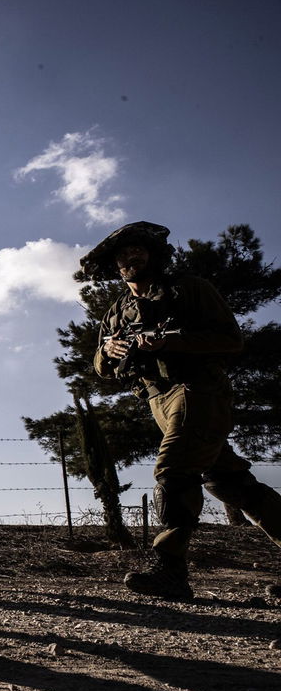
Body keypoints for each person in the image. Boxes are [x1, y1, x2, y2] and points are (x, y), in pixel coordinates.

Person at [85, 221, 281, 600]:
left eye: (139, 249)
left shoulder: (188, 289)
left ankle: (170, 571)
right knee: (230, 482)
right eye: (123, 253)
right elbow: (100, 365)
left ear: (154, 253)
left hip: (198, 390)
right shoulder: (117, 311)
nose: (132, 256)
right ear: (115, 265)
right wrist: (107, 353)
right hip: (158, 400)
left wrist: (171, 341)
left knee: (174, 470)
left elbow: (231, 339)